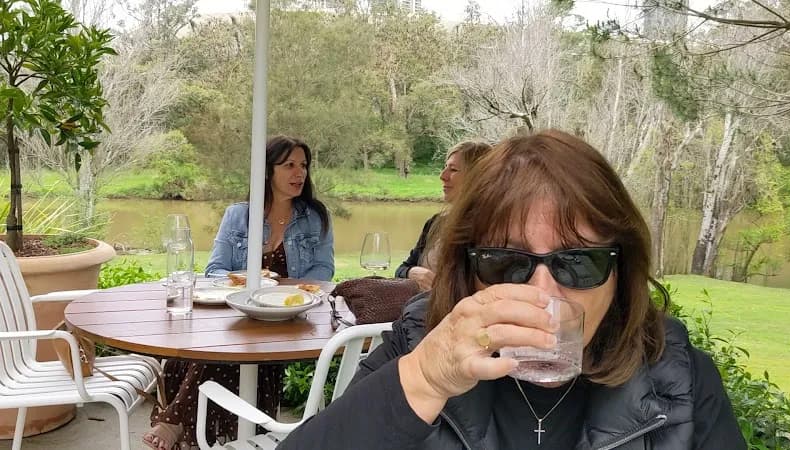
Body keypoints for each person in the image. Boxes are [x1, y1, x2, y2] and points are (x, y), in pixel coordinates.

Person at [276, 130, 745, 449]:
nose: (544, 294)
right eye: (507, 262)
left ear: (621, 269)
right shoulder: (421, 341)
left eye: (578, 262)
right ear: (469, 270)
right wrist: (424, 379)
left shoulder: (678, 379)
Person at [144, 135, 334, 450]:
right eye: (289, 165)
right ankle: (200, 428)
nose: (299, 173)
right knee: (211, 349)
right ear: (267, 171)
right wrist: (247, 280)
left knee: (224, 351)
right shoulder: (238, 215)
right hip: (240, 314)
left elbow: (323, 272)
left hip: (288, 319)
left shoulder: (314, 217)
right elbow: (214, 269)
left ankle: (175, 421)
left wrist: (279, 288)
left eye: (303, 165)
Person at [395, 140, 492, 291]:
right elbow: (402, 269)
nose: (442, 176)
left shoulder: (492, 232)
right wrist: (411, 272)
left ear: (477, 177)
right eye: (444, 167)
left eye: (453, 170)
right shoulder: (435, 223)